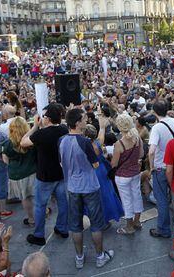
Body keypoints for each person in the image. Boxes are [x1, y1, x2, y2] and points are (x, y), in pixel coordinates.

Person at [58, 108, 114, 269]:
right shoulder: (84, 142)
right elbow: (96, 164)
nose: (86, 121)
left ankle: (79, 257)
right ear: (77, 123)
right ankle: (100, 256)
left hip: (72, 187)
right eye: (83, 119)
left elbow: (61, 163)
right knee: (96, 223)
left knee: (75, 225)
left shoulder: (61, 140)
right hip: (89, 186)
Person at [20, 103, 69, 246]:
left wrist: (35, 126)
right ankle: (62, 228)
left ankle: (39, 235)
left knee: (40, 205)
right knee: (63, 203)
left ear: (47, 118)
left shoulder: (41, 134)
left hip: (45, 176)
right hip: (61, 173)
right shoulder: (64, 129)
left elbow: (23, 142)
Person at [148, 100, 174, 239]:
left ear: (154, 112)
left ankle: (163, 229)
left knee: (161, 200)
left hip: (161, 167)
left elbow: (151, 151)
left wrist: (151, 166)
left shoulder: (156, 128)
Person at [84, 123, 124, 224]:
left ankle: (100, 219)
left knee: (98, 196)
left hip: (94, 171)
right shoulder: (98, 142)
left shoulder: (88, 147)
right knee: (107, 194)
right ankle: (106, 217)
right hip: (102, 170)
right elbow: (101, 133)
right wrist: (102, 127)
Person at [112, 113, 144, 235]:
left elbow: (114, 164)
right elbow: (141, 155)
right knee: (136, 196)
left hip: (122, 175)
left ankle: (129, 227)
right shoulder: (137, 139)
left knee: (126, 200)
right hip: (135, 172)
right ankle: (137, 221)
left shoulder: (119, 144)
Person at [2, 117, 37, 226]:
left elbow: (5, 160)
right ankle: (41, 215)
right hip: (32, 172)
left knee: (25, 198)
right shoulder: (31, 140)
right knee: (35, 197)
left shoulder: (7, 143)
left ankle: (31, 219)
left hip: (16, 174)